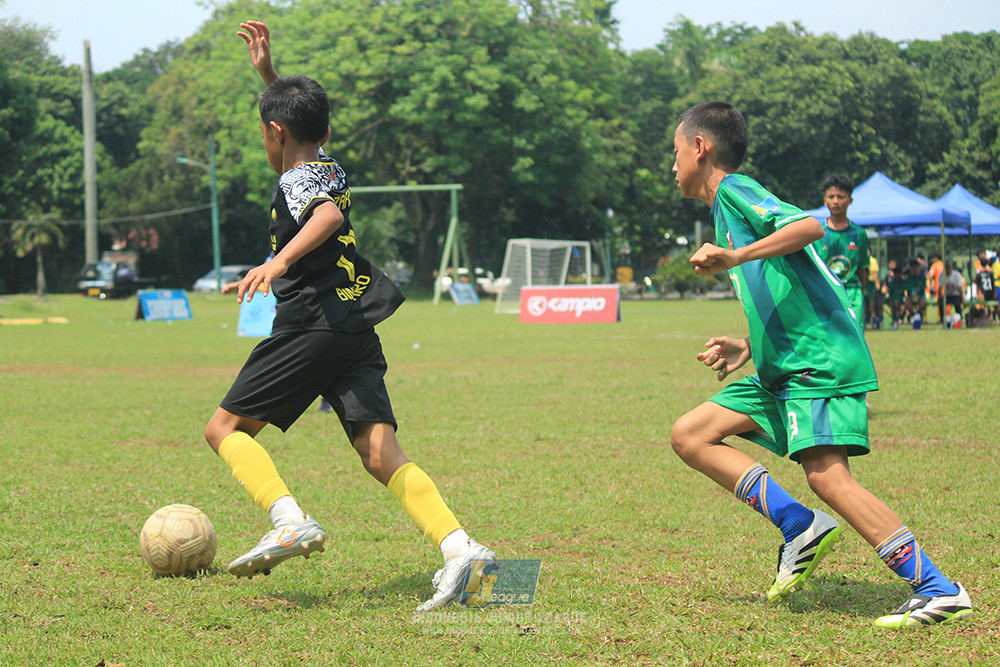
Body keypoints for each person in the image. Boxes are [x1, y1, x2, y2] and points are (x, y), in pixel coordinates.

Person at [203, 20, 494, 611]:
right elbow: (301, 136)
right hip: (355, 324)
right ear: (325, 131)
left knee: (224, 430)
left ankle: (289, 520)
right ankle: (461, 549)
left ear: (275, 132)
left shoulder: (297, 182)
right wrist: (269, 76)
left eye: (266, 130)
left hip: (313, 324)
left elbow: (327, 217)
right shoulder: (329, 165)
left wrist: (278, 261)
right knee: (379, 452)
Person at [668, 101, 972, 628]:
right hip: (781, 365)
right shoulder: (723, 211)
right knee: (691, 434)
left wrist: (736, 256)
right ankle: (799, 525)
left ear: (700, 147)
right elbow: (788, 284)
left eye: (674, 152)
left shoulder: (735, 190)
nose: (672, 166)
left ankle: (938, 588)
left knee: (829, 478)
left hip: (815, 362)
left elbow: (808, 227)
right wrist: (748, 343)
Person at [813, 174, 871, 329]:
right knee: (829, 336)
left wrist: (860, 294)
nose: (835, 201)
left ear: (850, 200)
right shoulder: (817, 233)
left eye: (841, 197)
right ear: (824, 200)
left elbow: (862, 270)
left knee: (855, 336)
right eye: (831, 197)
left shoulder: (859, 234)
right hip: (826, 293)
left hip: (852, 293)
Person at [937, 260, 965, 327]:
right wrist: (939, 298)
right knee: (941, 303)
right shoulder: (942, 275)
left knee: (957, 303)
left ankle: (959, 319)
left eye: (949, 267)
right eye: (946, 267)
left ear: (951, 267)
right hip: (947, 295)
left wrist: (963, 299)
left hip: (956, 294)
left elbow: (960, 289)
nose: (947, 269)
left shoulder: (956, 275)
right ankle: (942, 320)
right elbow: (940, 288)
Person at [903, 257, 927, 325]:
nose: (914, 269)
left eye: (916, 268)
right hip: (911, 297)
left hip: (920, 297)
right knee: (907, 303)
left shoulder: (922, 278)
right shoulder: (909, 279)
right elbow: (908, 291)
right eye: (913, 268)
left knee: (923, 303)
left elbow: (923, 289)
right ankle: (914, 315)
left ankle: (920, 316)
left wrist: (918, 296)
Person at [884, 261, 907, 329]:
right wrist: (890, 300)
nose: (897, 275)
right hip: (893, 300)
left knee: (898, 304)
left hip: (902, 300)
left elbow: (906, 292)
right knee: (895, 303)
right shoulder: (892, 283)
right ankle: (894, 320)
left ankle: (898, 319)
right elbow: (890, 294)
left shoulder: (904, 283)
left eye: (899, 273)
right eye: (896, 273)